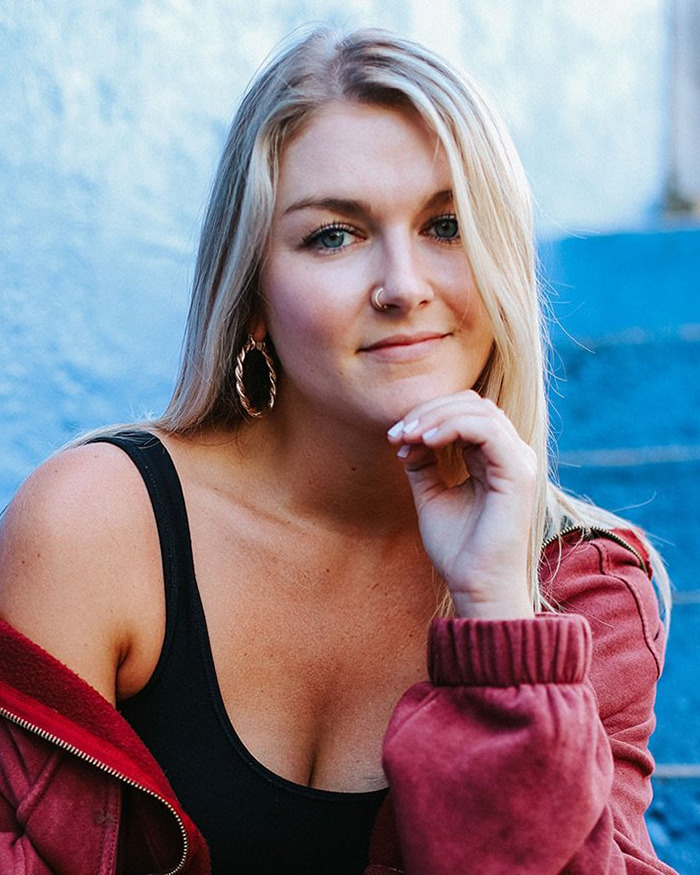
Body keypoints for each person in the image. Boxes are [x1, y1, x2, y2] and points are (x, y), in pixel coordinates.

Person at [0, 25, 676, 875]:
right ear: (251, 294)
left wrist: (500, 619)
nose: (403, 285)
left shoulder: (584, 587)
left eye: (446, 225)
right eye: (334, 235)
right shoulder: (96, 526)